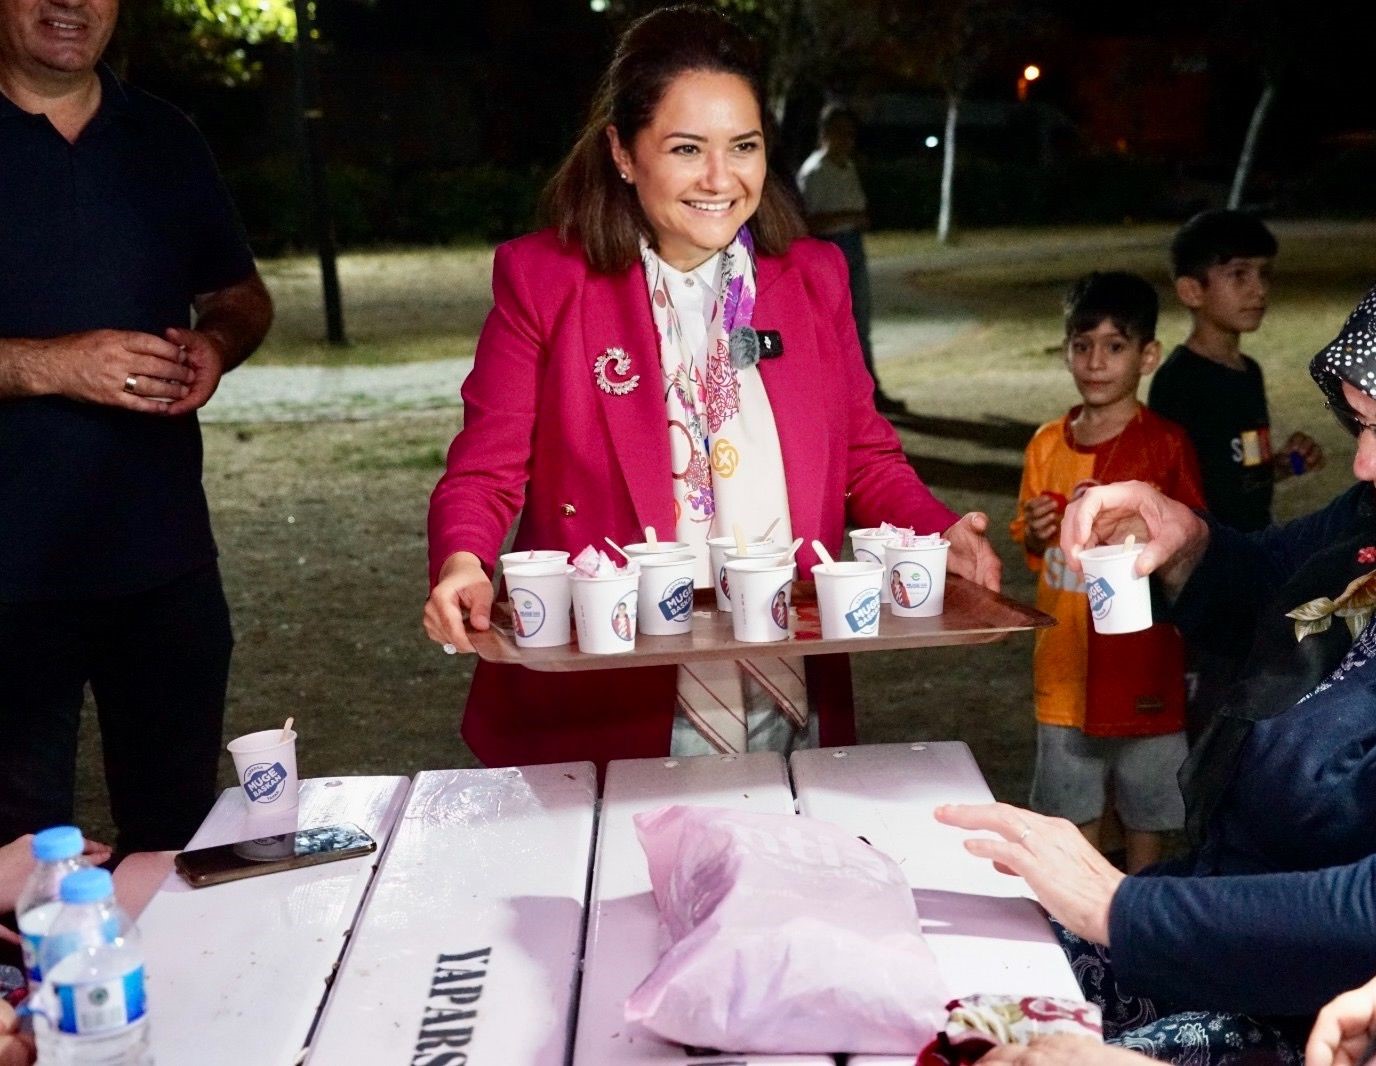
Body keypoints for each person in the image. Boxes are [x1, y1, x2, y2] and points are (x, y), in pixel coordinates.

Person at [423, 5, 1000, 771]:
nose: (721, 180)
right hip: (608, 698)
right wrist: (463, 559)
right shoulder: (546, 281)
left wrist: (938, 529)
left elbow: (864, 456)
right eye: (687, 149)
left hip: (785, 677)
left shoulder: (812, 277)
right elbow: (485, 468)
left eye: (744, 147)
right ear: (624, 154)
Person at [937, 286, 1376, 1063]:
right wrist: (1183, 539)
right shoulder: (1368, 515)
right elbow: (1273, 582)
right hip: (1220, 927)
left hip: (1299, 1007)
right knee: (939, 990)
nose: (1364, 462)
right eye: (1363, 423)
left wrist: (1120, 905)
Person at [0, 0, 273, 853]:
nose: (69, 4)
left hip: (163, 567)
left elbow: (240, 293)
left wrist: (218, 345)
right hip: (9, 578)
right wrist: (53, 364)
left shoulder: (163, 137)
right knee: (16, 865)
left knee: (177, 843)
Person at [1011, 273, 1204, 874]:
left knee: (1150, 806)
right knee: (1072, 805)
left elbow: (1194, 543)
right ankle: (1084, 932)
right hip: (1066, 663)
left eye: (1115, 346)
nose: (1095, 362)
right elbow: (1032, 545)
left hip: (1143, 660)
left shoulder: (1167, 445)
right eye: (1081, 345)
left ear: (1148, 355)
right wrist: (1038, 531)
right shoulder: (1046, 443)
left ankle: (1141, 912)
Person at [1148, 210, 1324, 741]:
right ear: (1191, 290)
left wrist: (1284, 465)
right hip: (1205, 570)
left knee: (1251, 699)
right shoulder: (1178, 384)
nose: (1258, 290)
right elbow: (1178, 488)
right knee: (1211, 713)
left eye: (1264, 274)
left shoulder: (1248, 374)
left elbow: (1235, 471)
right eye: (1239, 275)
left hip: (1252, 563)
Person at [795, 104, 901, 413]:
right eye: (840, 132)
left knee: (861, 322)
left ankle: (869, 390)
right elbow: (807, 223)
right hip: (830, 249)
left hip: (852, 245)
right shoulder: (816, 171)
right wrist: (849, 216)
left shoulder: (846, 167)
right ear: (825, 133)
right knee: (835, 326)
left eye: (850, 133)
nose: (847, 139)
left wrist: (856, 218)